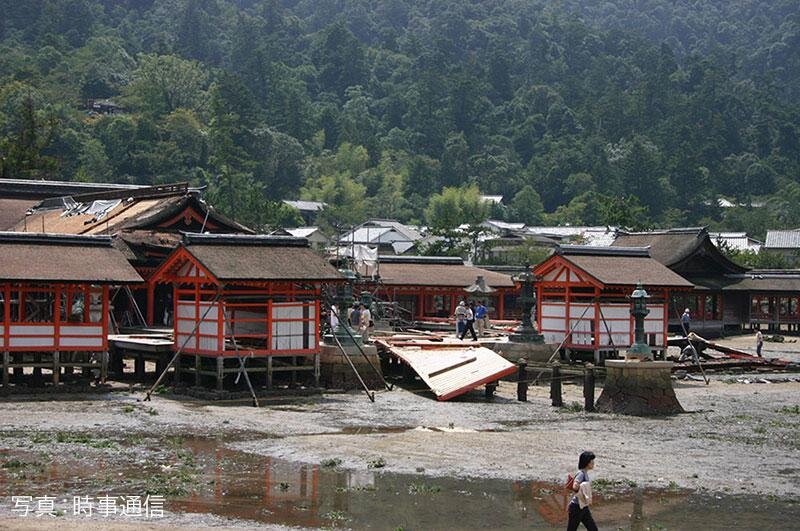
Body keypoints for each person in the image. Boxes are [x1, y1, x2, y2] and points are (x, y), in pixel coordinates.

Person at [567, 451, 598, 531]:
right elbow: (575, 486)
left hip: (583, 506)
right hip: (576, 508)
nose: (593, 463)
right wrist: (584, 488)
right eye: (592, 461)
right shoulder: (581, 474)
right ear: (587, 462)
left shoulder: (585, 473)